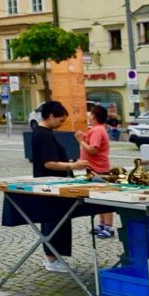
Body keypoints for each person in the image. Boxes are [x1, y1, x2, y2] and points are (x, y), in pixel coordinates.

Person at [31, 101, 90, 271]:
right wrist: (73, 166)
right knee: (54, 220)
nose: (61, 124)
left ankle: (53, 257)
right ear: (50, 116)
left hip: (49, 184)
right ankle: (52, 259)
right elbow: (49, 163)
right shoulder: (45, 135)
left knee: (54, 220)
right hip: (51, 185)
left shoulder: (41, 132)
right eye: (60, 120)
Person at [76, 105, 114, 238]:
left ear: (94, 116)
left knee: (105, 197)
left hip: (99, 169)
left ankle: (108, 226)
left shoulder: (98, 130)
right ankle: (102, 223)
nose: (89, 115)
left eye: (91, 113)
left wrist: (81, 141)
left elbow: (93, 149)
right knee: (98, 197)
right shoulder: (95, 129)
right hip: (93, 168)